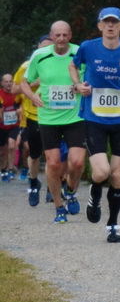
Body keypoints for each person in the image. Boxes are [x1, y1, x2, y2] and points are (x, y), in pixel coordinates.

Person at [73, 8, 120, 242]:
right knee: (102, 172)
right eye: (106, 22)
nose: (110, 26)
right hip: (94, 118)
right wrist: (78, 85)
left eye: (114, 22)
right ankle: (95, 193)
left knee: (117, 175)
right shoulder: (88, 48)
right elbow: (73, 66)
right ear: (99, 26)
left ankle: (113, 225)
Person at [21, 22, 86, 223]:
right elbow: (24, 82)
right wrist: (32, 96)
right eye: (57, 35)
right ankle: (59, 207)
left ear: (70, 35)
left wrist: (82, 86)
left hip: (75, 116)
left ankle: (71, 191)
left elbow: (91, 76)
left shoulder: (79, 52)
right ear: (51, 35)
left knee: (77, 162)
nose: (61, 39)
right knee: (53, 163)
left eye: (65, 35)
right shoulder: (40, 56)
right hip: (49, 117)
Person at [14, 36, 49, 206]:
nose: (46, 51)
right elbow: (15, 89)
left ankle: (53, 188)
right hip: (34, 116)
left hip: (56, 115)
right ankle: (34, 182)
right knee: (34, 155)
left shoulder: (62, 63)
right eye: (43, 47)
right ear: (37, 48)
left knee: (54, 156)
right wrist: (34, 83)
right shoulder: (26, 66)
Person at [0, 72, 21, 182]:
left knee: (12, 146)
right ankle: (3, 169)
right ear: (2, 83)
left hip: (14, 125)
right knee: (2, 151)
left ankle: (11, 169)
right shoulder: (0, 94)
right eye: (6, 82)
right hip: (2, 126)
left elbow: (22, 104)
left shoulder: (16, 93)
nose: (9, 84)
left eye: (10, 81)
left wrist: (20, 110)